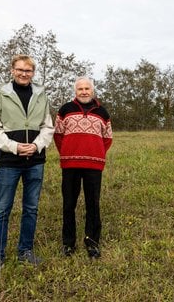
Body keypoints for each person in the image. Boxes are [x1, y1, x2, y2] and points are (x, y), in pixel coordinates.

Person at [0, 54, 54, 276]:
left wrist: (36, 145)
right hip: (9, 162)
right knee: (2, 209)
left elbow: (47, 126)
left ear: (33, 73)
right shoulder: (0, 95)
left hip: (35, 161)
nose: (24, 74)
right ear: (12, 70)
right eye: (20, 70)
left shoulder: (41, 95)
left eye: (28, 70)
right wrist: (14, 147)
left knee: (31, 208)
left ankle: (25, 251)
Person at [53, 77, 112, 258]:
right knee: (68, 204)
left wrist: (97, 153)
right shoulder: (65, 110)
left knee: (92, 204)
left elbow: (107, 138)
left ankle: (92, 242)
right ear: (75, 91)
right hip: (70, 164)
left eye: (87, 88)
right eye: (80, 89)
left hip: (94, 165)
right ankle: (68, 243)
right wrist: (68, 152)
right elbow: (58, 135)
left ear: (92, 91)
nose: (84, 91)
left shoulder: (102, 112)